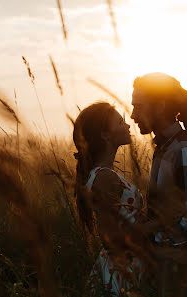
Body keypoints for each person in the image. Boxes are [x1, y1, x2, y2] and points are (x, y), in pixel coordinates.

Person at [131, 73, 187, 294]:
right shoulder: (166, 148)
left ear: (160, 106)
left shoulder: (185, 150)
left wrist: (144, 231)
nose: (133, 115)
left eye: (139, 107)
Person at [73, 102, 145, 296]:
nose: (128, 125)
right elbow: (109, 237)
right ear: (105, 134)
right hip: (122, 269)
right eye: (121, 122)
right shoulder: (104, 177)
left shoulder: (105, 174)